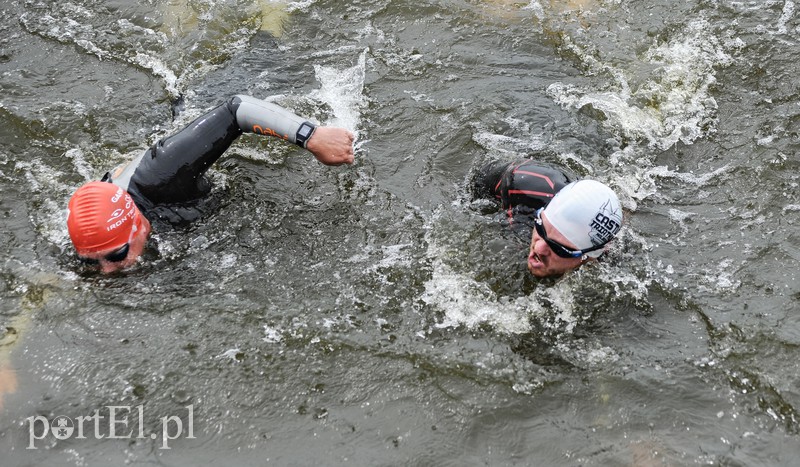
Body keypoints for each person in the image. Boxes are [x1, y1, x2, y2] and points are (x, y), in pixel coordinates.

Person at [66, 95, 355, 273]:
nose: (106, 271)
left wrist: (311, 136)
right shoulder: (92, 237)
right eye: (91, 263)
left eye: (116, 256)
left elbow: (236, 109)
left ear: (137, 225)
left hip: (213, 100)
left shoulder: (160, 177)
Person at [472, 158, 623, 278]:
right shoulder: (518, 185)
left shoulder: (610, 258)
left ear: (590, 255)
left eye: (559, 248)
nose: (539, 248)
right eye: (540, 227)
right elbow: (479, 177)